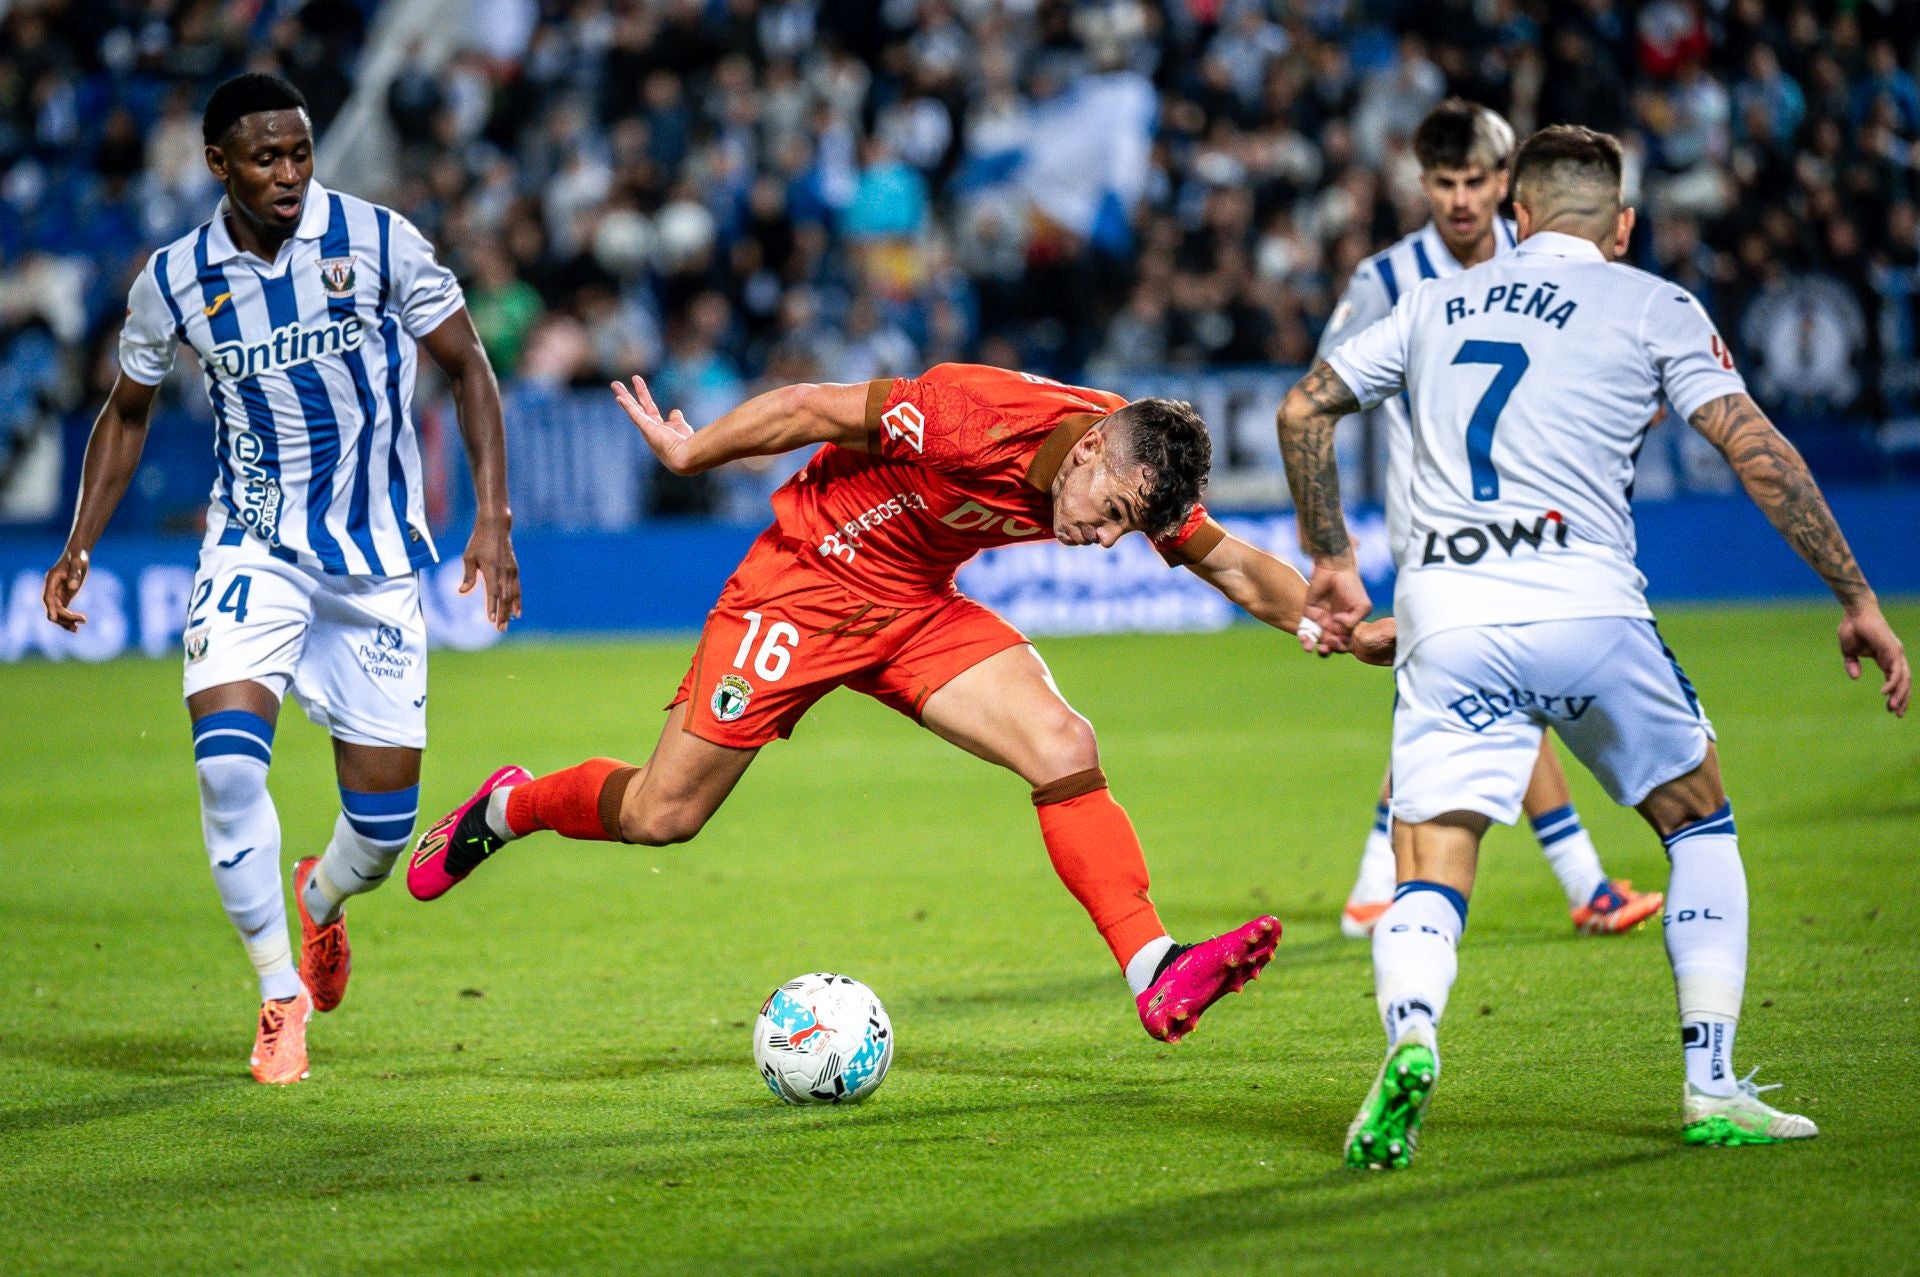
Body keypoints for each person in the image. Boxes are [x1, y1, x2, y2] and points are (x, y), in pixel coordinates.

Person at [411, 363, 1392, 1042]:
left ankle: (1153, 964)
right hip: (802, 582)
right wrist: (693, 451)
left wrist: (1343, 628)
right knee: (664, 813)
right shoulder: (974, 415)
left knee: (1062, 740)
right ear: (1092, 449)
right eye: (1112, 516)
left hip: (914, 604)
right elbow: (812, 406)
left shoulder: (1131, 467)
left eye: (1128, 529)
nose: (1103, 540)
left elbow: (1230, 566)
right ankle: (507, 805)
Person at [1277, 124, 1909, 1166]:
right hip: (1591, 610)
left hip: (1450, 619)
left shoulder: (1428, 304)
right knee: (1698, 819)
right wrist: (1854, 593)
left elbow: (1306, 408)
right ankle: (1711, 1081)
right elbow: (1756, 449)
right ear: (1621, 225)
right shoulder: (1653, 301)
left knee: (1429, 858)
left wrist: (1334, 558)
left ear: (1516, 217)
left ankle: (1416, 1036)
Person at [41, 74, 521, 1085]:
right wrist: (80, 539)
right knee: (225, 768)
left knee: (384, 831)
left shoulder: (380, 240)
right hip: (252, 547)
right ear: (219, 163)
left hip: (376, 563)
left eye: (301, 153)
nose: (291, 174)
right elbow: (126, 412)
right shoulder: (172, 280)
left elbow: (468, 364)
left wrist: (491, 516)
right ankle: (277, 991)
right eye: (267, 158)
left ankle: (318, 900)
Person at [1319, 98, 1659, 940]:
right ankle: (1581, 883)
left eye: (1476, 180)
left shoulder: (1550, 261)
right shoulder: (1386, 279)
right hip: (1436, 526)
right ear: (1422, 184)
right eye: (1444, 182)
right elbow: (1317, 399)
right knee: (1506, 685)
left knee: (1461, 695)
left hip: (1542, 516)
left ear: (1507, 185)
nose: (1460, 199)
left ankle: (1378, 886)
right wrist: (1330, 540)